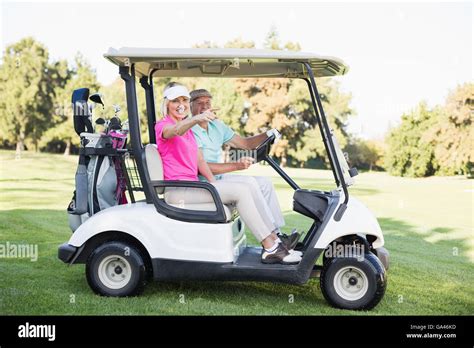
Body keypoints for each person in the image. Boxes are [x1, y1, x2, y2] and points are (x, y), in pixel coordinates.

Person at [154, 82, 301, 265]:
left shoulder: (189, 132)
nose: (181, 104)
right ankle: (271, 248)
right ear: (166, 104)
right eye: (176, 101)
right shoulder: (163, 126)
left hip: (195, 186)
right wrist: (194, 119)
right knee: (241, 191)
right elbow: (174, 131)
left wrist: (212, 183)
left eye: (184, 99)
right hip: (178, 190)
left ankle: (275, 241)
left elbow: (199, 160)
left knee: (248, 185)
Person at [189, 88, 301, 252]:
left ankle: (277, 233)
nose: (204, 106)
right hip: (202, 182)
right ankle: (272, 239)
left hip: (218, 178)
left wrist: (268, 134)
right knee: (249, 182)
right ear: (191, 106)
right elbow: (202, 167)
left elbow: (246, 144)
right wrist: (236, 166)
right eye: (199, 103)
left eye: (207, 103)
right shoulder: (190, 130)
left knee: (264, 182)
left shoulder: (217, 126)